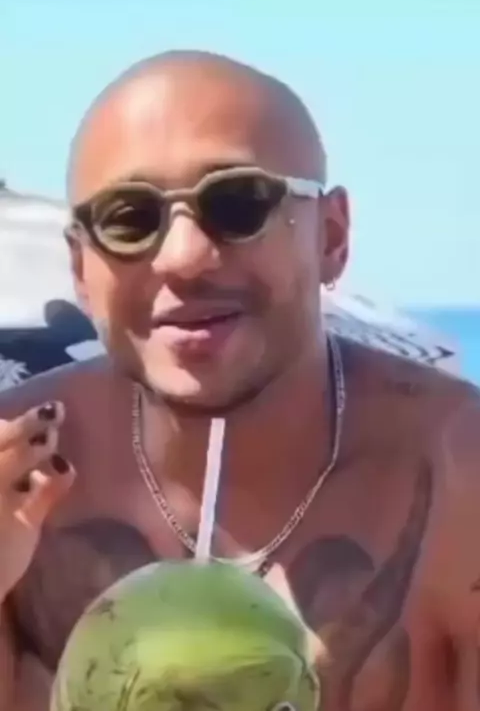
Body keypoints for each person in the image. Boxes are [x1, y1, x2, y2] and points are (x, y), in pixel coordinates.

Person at [0, 50, 478, 711]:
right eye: (129, 218)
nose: (183, 257)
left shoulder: (459, 477)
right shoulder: (16, 475)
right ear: (82, 268)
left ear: (331, 237)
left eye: (238, 203)